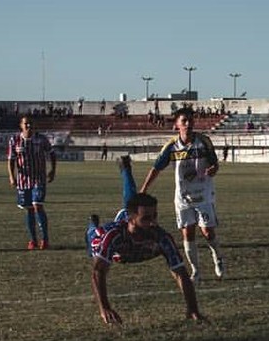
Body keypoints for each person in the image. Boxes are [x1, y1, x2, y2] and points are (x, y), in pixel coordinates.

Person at [87, 185, 203, 325]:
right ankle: (92, 224)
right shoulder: (114, 236)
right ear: (131, 219)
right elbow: (98, 271)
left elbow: (180, 273)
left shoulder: (161, 237)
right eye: (146, 218)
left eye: (155, 216)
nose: (153, 222)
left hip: (133, 250)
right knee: (94, 234)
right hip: (106, 244)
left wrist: (193, 309)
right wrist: (104, 308)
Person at [140, 107, 224, 283]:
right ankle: (196, 271)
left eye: (190, 120)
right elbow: (156, 168)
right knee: (188, 234)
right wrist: (144, 189)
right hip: (183, 198)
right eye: (184, 121)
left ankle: (217, 257)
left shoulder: (204, 142)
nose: (188, 124)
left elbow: (215, 164)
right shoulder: (171, 147)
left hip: (203, 195)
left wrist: (212, 170)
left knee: (208, 232)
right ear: (177, 125)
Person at [7, 115, 57, 250]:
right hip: (23, 180)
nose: (28, 126)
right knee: (29, 209)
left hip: (39, 178)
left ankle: (45, 239)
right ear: (21, 125)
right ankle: (33, 240)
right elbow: (11, 160)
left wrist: (53, 170)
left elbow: (52, 153)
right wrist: (11, 176)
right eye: (26, 123)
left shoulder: (41, 139)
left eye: (30, 123)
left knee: (37, 205)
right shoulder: (14, 140)